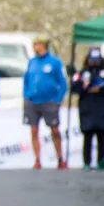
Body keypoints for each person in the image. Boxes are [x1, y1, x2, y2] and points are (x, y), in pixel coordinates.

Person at [22, 35, 68, 169]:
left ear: (43, 45)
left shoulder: (54, 62)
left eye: (37, 44)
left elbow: (62, 83)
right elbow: (26, 80)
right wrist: (26, 95)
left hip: (49, 101)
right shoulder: (32, 62)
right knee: (34, 130)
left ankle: (60, 158)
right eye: (34, 44)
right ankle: (37, 159)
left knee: (54, 130)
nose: (35, 47)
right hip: (33, 101)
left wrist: (58, 100)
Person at [73, 47, 104, 170]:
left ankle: (101, 161)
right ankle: (87, 162)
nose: (94, 62)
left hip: (102, 109)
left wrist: (100, 89)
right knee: (87, 137)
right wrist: (81, 84)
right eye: (92, 60)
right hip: (87, 109)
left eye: (96, 60)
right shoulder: (83, 72)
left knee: (101, 137)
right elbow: (75, 88)